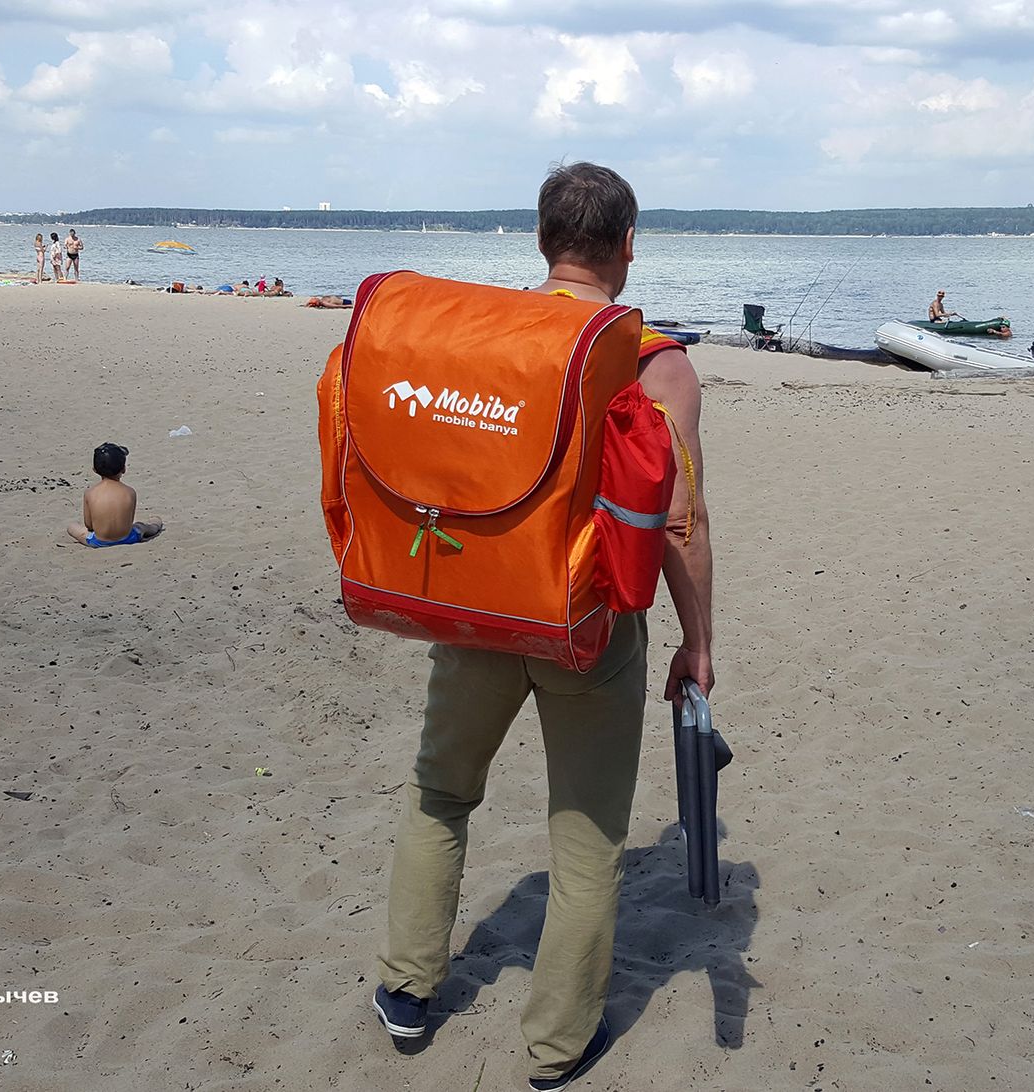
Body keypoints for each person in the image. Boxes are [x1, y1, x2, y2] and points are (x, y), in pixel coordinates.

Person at [369, 161, 715, 1092]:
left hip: (481, 607)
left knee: (441, 793)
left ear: (541, 241)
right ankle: (557, 1049)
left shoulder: (491, 338)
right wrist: (698, 642)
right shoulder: (656, 362)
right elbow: (678, 521)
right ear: (629, 245)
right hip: (590, 625)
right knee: (589, 840)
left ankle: (406, 991)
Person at [65, 443, 163, 547]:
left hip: (99, 541)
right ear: (124, 469)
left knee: (72, 527)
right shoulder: (130, 492)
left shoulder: (90, 493)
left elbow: (89, 525)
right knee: (141, 526)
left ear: (94, 470)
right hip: (129, 538)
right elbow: (129, 522)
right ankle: (156, 523)